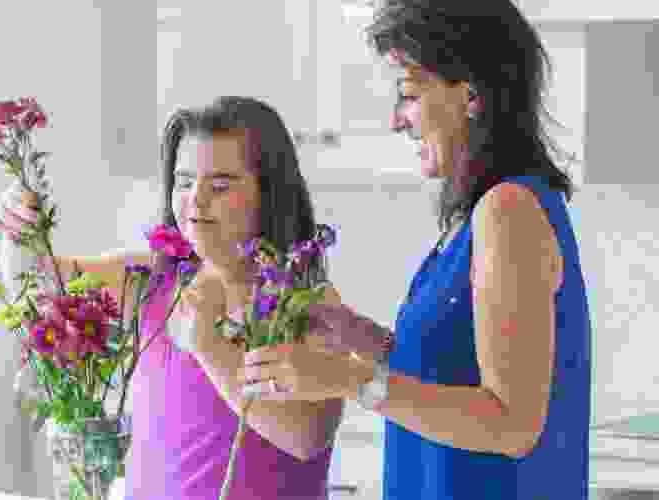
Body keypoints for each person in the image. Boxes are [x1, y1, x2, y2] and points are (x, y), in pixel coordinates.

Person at [240, 1, 592, 499]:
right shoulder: (472, 221)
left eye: (408, 94)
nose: (396, 120)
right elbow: (457, 369)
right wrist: (362, 337)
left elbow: (512, 424)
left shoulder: (508, 211)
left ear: (471, 93)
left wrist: (349, 376)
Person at [0, 96, 354, 499]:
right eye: (184, 182)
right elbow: (37, 286)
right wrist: (18, 226)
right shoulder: (151, 279)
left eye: (219, 185)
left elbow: (306, 437)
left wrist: (209, 346)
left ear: (269, 192)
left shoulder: (306, 300)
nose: (195, 201)